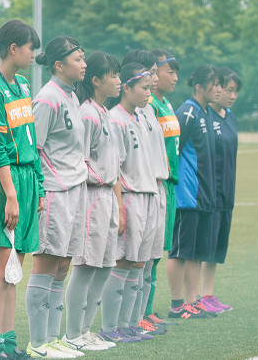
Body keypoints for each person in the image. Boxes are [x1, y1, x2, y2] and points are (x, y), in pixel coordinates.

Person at [0, 19, 44, 360]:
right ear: (13, 48)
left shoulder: (21, 86)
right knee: (2, 270)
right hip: (3, 184)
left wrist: (39, 187)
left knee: (14, 271)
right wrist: (13, 195)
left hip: (26, 179)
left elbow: (30, 141)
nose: (35, 54)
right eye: (31, 47)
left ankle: (8, 344)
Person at [26, 35, 90, 358]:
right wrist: (40, 190)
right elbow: (34, 149)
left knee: (63, 265)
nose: (84, 64)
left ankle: (53, 338)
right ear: (59, 65)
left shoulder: (72, 97)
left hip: (76, 189)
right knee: (47, 263)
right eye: (78, 59)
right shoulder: (47, 98)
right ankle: (38, 343)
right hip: (54, 190)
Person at [100, 63, 157, 343]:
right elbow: (115, 168)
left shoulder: (142, 116)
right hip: (131, 196)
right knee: (123, 262)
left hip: (148, 195)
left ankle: (129, 323)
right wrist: (120, 208)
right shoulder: (116, 119)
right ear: (127, 88)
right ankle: (110, 327)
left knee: (138, 263)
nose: (149, 92)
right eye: (144, 88)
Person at [70, 51, 122, 345]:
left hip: (107, 197)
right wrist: (100, 179)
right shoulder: (87, 113)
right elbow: (81, 158)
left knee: (105, 265)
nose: (118, 81)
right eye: (113, 75)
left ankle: (86, 330)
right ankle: (74, 333)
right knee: (86, 265)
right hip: (91, 197)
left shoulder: (103, 112)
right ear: (95, 80)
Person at [119, 50, 169, 336]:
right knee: (132, 259)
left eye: (154, 72)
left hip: (155, 188)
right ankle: (126, 322)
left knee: (148, 259)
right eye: (149, 72)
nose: (154, 77)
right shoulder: (126, 113)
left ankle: (140, 316)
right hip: (136, 191)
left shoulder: (149, 109)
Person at [167, 64, 221, 320]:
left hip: (204, 194)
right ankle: (178, 303)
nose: (219, 90)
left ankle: (193, 299)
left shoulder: (206, 112)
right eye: (216, 84)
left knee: (196, 252)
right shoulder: (188, 112)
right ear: (199, 86)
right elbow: (173, 150)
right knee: (181, 250)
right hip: (188, 194)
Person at [144, 49, 181, 326]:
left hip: (169, 184)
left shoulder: (166, 104)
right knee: (146, 254)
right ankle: (140, 313)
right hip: (155, 183)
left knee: (157, 252)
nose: (173, 77)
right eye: (167, 71)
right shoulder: (151, 106)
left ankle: (147, 310)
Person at [200, 67, 241, 312]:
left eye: (235, 91)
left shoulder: (231, 116)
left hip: (228, 188)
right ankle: (197, 297)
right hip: (209, 189)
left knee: (217, 244)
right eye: (227, 89)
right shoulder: (206, 117)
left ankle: (209, 293)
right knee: (205, 243)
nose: (231, 95)